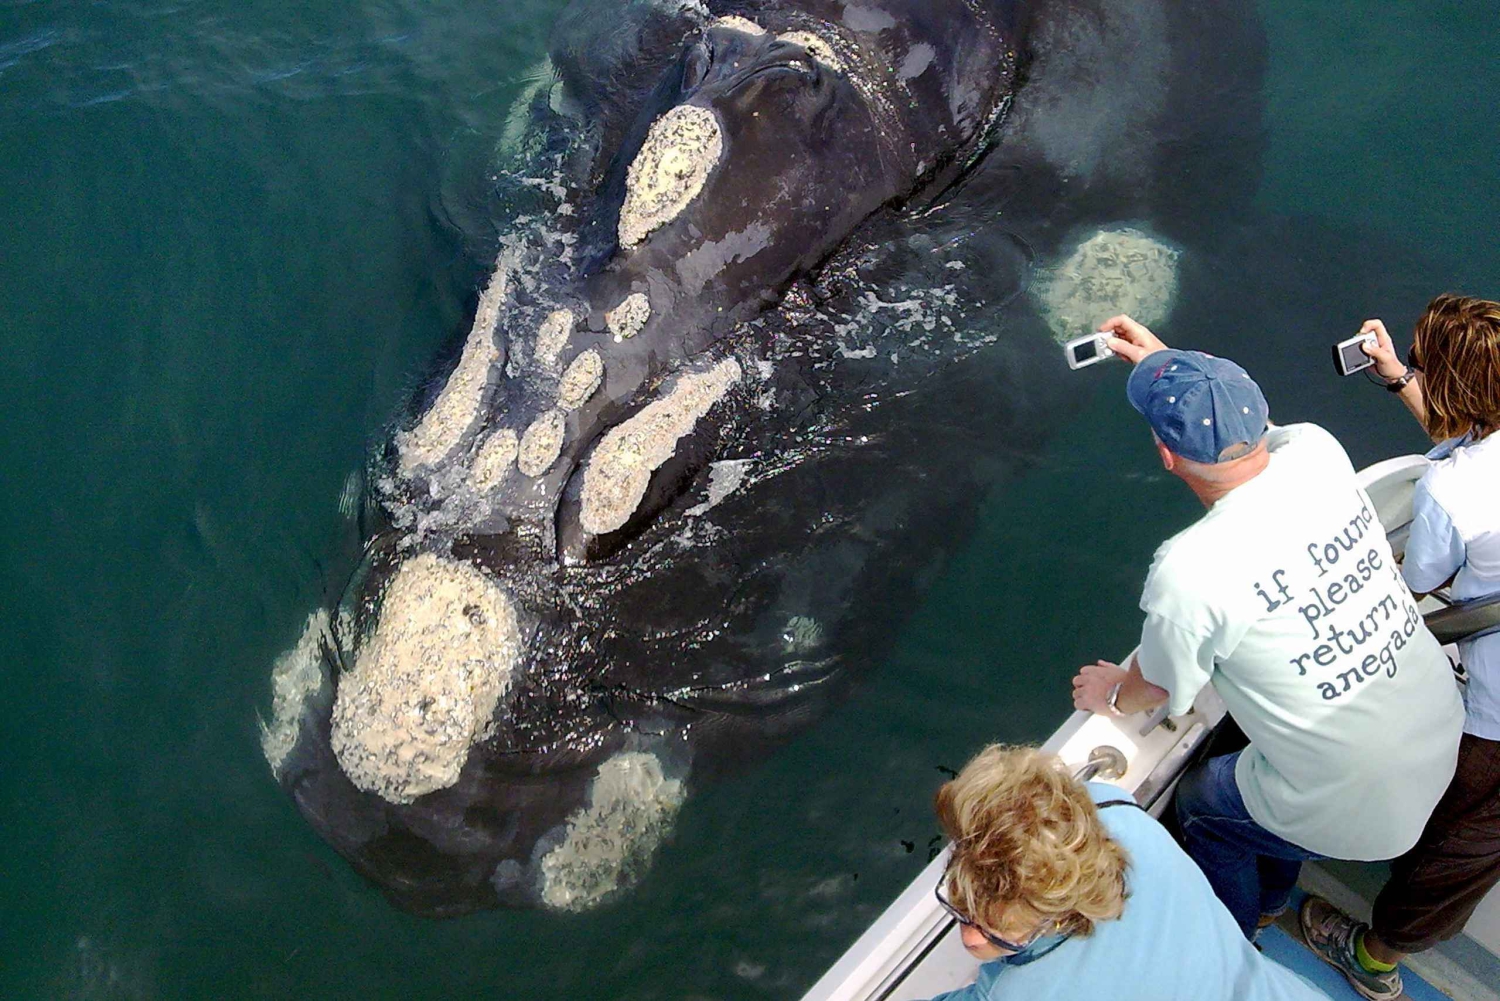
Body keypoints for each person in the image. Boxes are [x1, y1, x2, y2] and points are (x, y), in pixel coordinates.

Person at [1069, 316, 1465, 944]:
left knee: (1204, 804)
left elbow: (1160, 687)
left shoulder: (1190, 571)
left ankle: (1238, 934)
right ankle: (1276, 895)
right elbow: (1261, 431)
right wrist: (1181, 370)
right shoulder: (1316, 450)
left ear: (1167, 456)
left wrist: (1112, 693)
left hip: (1362, 803)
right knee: (1271, 796)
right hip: (1440, 735)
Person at [1299, 294, 1500, 1001]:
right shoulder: (1472, 465)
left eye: (1421, 361)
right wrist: (1396, 378)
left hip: (1497, 730)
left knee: (1457, 849)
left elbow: (1413, 584)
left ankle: (1372, 957)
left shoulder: (1452, 488)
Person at [922, 744, 1331, 1001]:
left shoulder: (1019, 990)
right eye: (961, 910)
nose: (970, 938)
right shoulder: (1117, 815)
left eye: (997, 932)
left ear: (1062, 914)